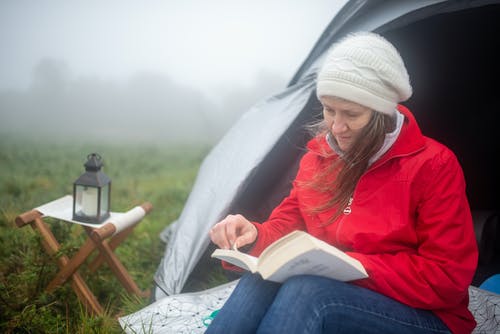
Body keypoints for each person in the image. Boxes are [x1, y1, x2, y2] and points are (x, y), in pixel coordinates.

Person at [207, 31, 478, 334]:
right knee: (261, 279)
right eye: (329, 110)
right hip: (340, 293)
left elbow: (447, 278)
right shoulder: (318, 159)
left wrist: (349, 268)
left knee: (309, 292)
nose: (336, 127)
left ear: (381, 113)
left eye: (351, 114)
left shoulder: (433, 166)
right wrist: (254, 236)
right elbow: (289, 223)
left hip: (427, 318)